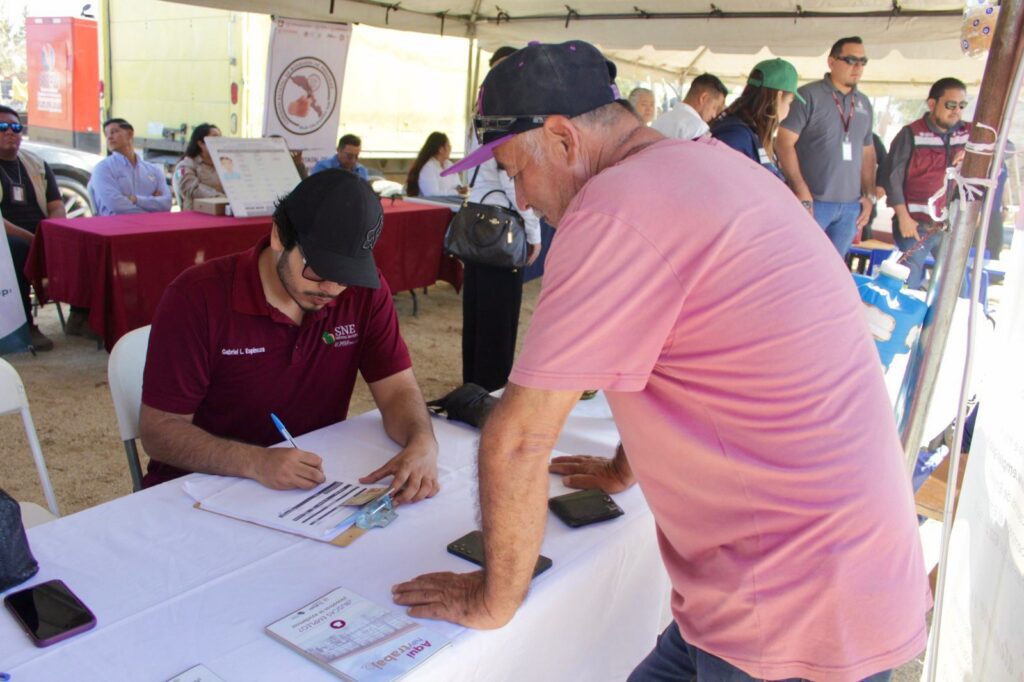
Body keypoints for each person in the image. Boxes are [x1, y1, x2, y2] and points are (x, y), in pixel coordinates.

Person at [393, 41, 928, 682]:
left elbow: (518, 440)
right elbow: (684, 352)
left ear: (562, 139)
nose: (521, 199)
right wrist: (625, 466)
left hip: (791, 604)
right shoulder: (708, 167)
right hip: (816, 575)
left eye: (516, 171)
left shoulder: (614, 210)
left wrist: (493, 598)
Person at [139, 169, 439, 503]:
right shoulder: (197, 298)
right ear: (279, 236)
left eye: (346, 275)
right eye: (319, 270)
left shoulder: (364, 293)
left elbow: (397, 389)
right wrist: (254, 462)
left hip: (304, 488)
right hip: (196, 492)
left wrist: (422, 440)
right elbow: (159, 430)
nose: (332, 289)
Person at [454, 46, 542, 391]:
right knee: (498, 314)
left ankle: (474, 383)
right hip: (502, 229)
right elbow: (514, 182)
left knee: (478, 312)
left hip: (477, 223)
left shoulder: (479, 114)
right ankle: (489, 388)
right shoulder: (506, 117)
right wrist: (534, 235)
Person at [778, 36, 877, 258]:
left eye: (863, 61)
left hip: (850, 207)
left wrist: (869, 196)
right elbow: (783, 143)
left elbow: (868, 152)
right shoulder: (808, 95)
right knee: (800, 261)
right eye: (851, 60)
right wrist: (801, 189)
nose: (858, 67)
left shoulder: (863, 103)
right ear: (831, 61)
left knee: (834, 268)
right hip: (813, 201)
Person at [882, 78, 971, 289]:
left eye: (962, 105)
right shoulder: (911, 133)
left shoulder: (971, 134)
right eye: (950, 104)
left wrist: (972, 154)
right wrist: (903, 217)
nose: (956, 111)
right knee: (906, 282)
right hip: (915, 225)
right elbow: (892, 178)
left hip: (953, 225)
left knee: (956, 286)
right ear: (932, 104)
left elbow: (1000, 152)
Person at [0, 105, 62, 351]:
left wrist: (53, 232)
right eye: (2, 127)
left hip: (40, 233)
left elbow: (56, 206)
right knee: (18, 249)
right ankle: (26, 324)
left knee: (84, 242)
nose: (10, 132)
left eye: (16, 127)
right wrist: (32, 238)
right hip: (6, 237)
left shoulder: (36, 164)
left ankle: (80, 316)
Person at [709, 59, 802, 182]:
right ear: (778, 96)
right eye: (790, 102)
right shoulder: (735, 136)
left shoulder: (749, 133)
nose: (789, 109)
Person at [88, 118, 172, 215]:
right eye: (106, 134)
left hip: (149, 224)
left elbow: (166, 203)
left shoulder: (153, 171)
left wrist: (135, 199)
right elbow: (116, 205)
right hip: (114, 224)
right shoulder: (103, 169)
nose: (109, 137)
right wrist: (151, 206)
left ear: (129, 134)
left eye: (114, 132)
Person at [651, 73, 728, 140]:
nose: (714, 115)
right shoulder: (698, 128)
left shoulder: (660, 120)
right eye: (714, 107)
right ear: (703, 98)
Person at [173, 123, 224, 210]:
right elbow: (192, 189)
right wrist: (220, 197)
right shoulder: (187, 165)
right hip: (197, 214)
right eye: (215, 137)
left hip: (222, 210)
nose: (219, 141)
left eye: (220, 138)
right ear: (201, 143)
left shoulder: (224, 164)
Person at [405, 132, 463, 197]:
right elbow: (432, 194)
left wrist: (461, 189)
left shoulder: (449, 164)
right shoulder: (428, 168)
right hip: (433, 203)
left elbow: (457, 185)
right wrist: (456, 192)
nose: (450, 148)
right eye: (448, 146)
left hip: (452, 201)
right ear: (440, 149)